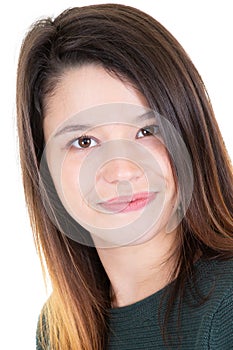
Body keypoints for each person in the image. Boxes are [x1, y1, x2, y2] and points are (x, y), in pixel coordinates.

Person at [16, 3, 233, 349]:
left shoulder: (226, 308)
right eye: (84, 141)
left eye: (147, 131)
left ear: (191, 135)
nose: (120, 171)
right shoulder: (58, 329)